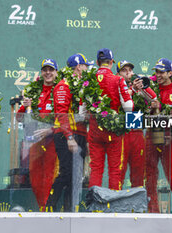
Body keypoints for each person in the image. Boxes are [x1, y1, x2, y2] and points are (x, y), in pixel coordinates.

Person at [145, 58, 172, 214]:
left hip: (169, 135)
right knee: (150, 174)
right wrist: (150, 109)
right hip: (152, 134)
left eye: (162, 72)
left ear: (170, 73)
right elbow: (142, 113)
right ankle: (152, 210)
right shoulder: (149, 88)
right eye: (156, 72)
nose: (159, 75)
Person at [46, 54, 89, 212]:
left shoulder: (82, 85)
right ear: (79, 67)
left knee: (76, 177)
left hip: (81, 134)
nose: (87, 69)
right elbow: (62, 114)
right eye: (85, 66)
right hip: (67, 135)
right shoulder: (63, 85)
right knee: (66, 173)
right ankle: (49, 207)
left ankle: (69, 210)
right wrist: (70, 137)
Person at [16, 59, 58, 210]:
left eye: (51, 70)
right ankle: (41, 207)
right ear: (41, 73)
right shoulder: (33, 91)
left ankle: (47, 208)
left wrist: (50, 129)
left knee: (49, 176)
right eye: (45, 70)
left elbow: (66, 117)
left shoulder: (60, 90)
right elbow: (19, 118)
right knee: (35, 178)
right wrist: (24, 106)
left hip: (53, 141)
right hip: (34, 141)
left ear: (56, 73)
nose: (48, 73)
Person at [88, 48, 133, 190]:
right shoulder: (118, 79)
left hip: (94, 129)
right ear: (112, 62)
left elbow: (82, 111)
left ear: (97, 62)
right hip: (113, 130)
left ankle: (94, 206)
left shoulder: (88, 80)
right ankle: (114, 207)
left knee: (96, 168)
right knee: (114, 169)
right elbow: (128, 107)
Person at [116, 60, 156, 188]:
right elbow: (119, 102)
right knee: (119, 172)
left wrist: (141, 86)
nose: (128, 73)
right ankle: (115, 203)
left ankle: (137, 206)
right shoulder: (116, 84)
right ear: (118, 74)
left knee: (138, 171)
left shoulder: (138, 85)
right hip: (122, 132)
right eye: (124, 70)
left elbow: (154, 99)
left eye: (130, 70)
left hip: (137, 131)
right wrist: (132, 89)